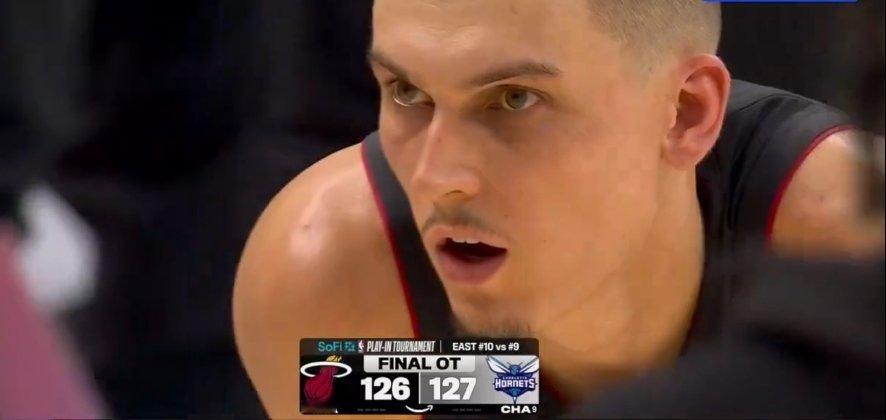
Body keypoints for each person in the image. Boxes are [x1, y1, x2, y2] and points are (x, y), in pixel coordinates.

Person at [233, 1, 884, 417]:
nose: (436, 178)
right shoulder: (331, 277)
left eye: (514, 99)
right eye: (406, 91)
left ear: (686, 112)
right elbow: (494, 385)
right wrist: (485, 385)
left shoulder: (848, 245)